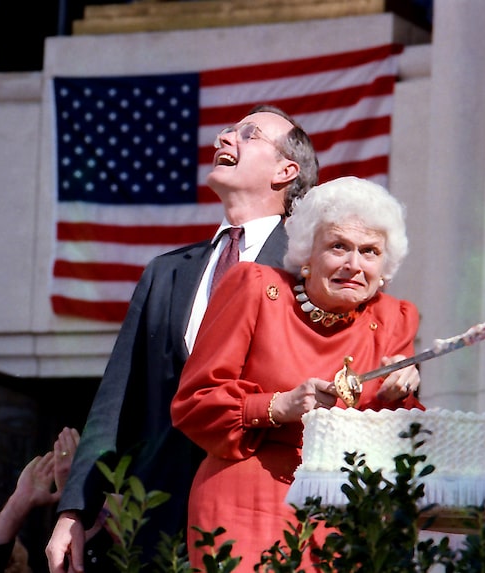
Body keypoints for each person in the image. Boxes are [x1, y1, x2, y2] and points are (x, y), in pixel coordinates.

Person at [46, 104, 319, 573]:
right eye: (229, 130)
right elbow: (116, 402)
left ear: (285, 170)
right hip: (156, 526)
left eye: (248, 134)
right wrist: (74, 510)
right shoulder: (166, 272)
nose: (223, 138)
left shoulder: (308, 270)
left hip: (263, 516)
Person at [171, 176, 424, 571]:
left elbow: (408, 447)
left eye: (369, 251)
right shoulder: (254, 288)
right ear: (307, 252)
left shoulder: (394, 318)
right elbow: (194, 403)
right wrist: (278, 405)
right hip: (248, 503)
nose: (353, 265)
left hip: (351, 517)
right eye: (338, 246)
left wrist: (402, 396)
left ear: (384, 267)